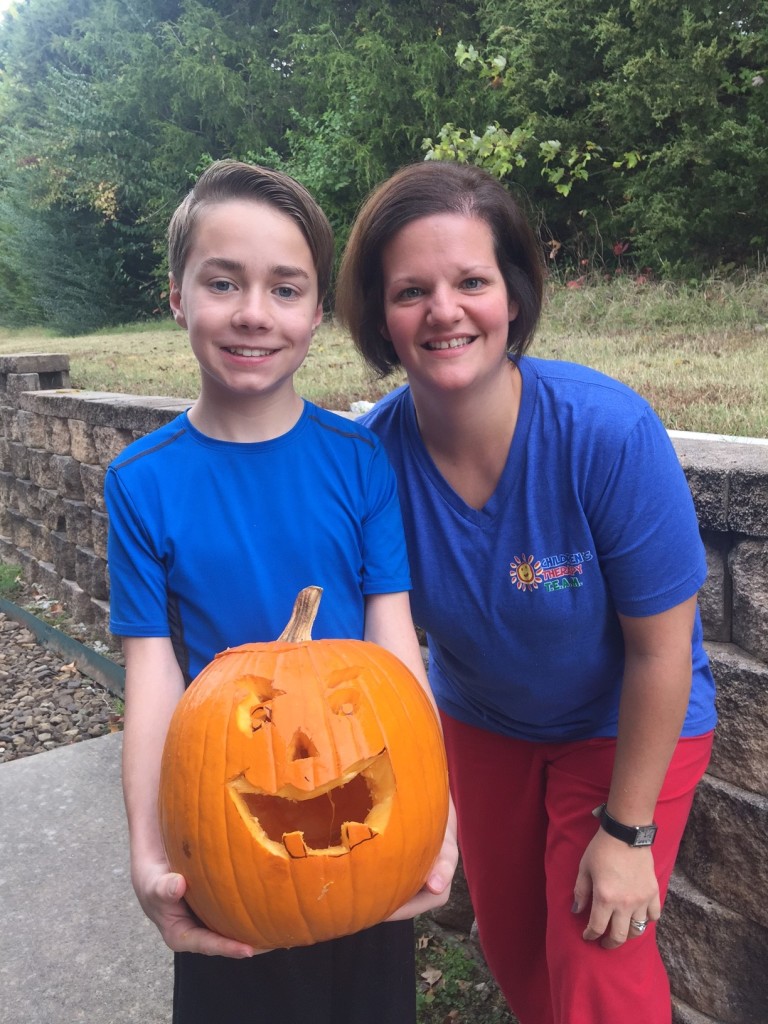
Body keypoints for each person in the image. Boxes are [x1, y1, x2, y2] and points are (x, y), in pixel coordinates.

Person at [335, 160, 717, 1024]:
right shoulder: (368, 462)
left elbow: (662, 651)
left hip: (626, 721)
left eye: (471, 280)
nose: (444, 310)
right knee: (515, 953)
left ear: (512, 294)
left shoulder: (607, 433)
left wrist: (625, 835)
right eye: (411, 290)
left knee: (596, 960)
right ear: (379, 315)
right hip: (483, 723)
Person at [104, 159, 456, 1024]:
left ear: (315, 313)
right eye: (223, 282)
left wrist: (440, 821)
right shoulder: (141, 482)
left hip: (359, 825)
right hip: (224, 844)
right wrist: (149, 857)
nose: (254, 312)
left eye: (285, 288)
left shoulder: (359, 461)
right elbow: (153, 677)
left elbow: (395, 644)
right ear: (179, 297)